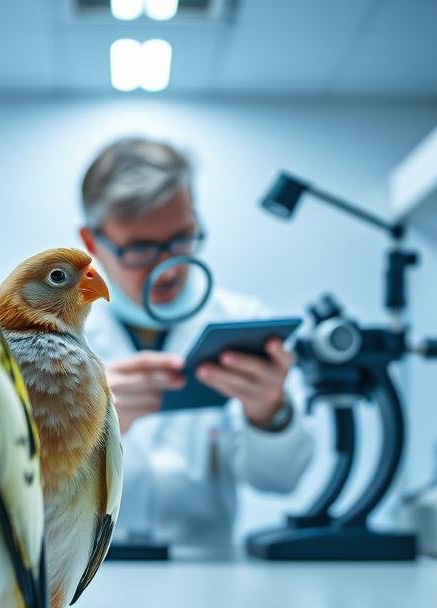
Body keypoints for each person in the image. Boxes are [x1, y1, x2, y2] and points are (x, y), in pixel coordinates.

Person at [77, 137, 314, 548]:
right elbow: (6, 489)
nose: (168, 267)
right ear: (92, 242)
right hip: (84, 580)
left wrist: (270, 413)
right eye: (140, 248)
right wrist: (79, 426)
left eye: (182, 238)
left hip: (211, 577)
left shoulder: (242, 319)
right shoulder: (41, 339)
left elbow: (280, 481)